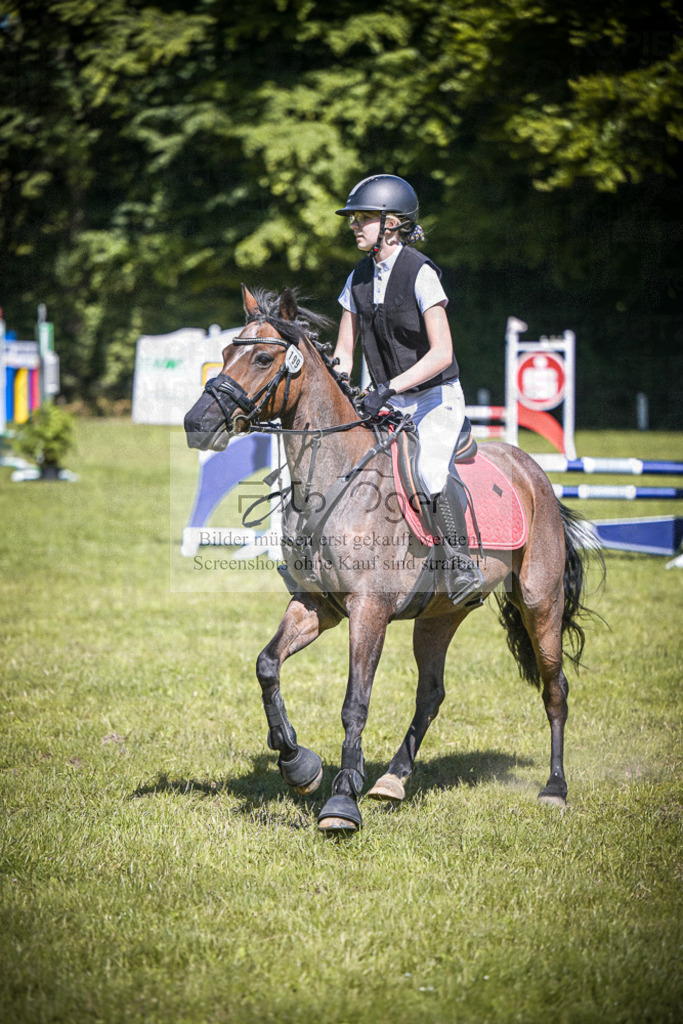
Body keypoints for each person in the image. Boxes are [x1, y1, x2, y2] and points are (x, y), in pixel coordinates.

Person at [333, 173, 483, 608]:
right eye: (353, 218)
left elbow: (442, 353)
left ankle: (460, 565)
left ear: (393, 222)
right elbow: (344, 351)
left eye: (364, 218)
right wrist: (344, 391)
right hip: (386, 402)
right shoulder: (356, 279)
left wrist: (390, 387)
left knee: (431, 475)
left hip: (435, 398)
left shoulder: (421, 274)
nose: (354, 225)